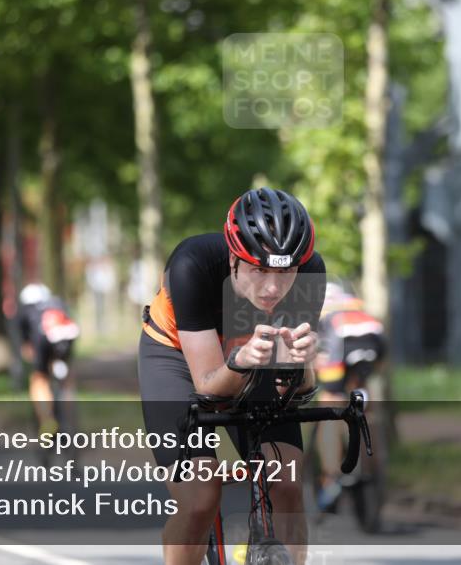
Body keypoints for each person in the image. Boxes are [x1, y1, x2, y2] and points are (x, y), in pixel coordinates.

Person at [138, 187, 325, 565]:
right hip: (175, 356)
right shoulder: (191, 266)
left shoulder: (311, 273)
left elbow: (299, 389)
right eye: (260, 270)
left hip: (251, 352)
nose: (273, 287)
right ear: (234, 259)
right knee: (200, 496)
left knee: (286, 485)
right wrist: (241, 361)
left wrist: (300, 366)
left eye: (286, 271)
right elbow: (208, 384)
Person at [312, 282, 386, 512]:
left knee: (329, 406)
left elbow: (319, 356)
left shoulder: (321, 312)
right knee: (363, 396)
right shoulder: (356, 305)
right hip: (374, 341)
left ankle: (332, 477)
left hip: (339, 345)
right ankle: (372, 464)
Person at [17, 282, 79, 435]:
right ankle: (70, 416)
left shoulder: (27, 310)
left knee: (39, 379)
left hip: (42, 339)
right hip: (66, 336)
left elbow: (26, 343)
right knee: (66, 378)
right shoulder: (57, 302)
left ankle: (47, 421)